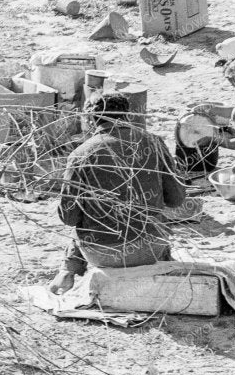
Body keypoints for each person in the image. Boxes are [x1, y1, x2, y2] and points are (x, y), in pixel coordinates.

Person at [50, 92, 184, 290]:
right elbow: (176, 199)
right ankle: (163, 259)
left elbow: (69, 218)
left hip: (102, 253)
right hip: (151, 248)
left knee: (84, 221)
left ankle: (67, 271)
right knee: (152, 218)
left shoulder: (80, 154)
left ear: (89, 119)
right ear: (128, 116)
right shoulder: (154, 142)